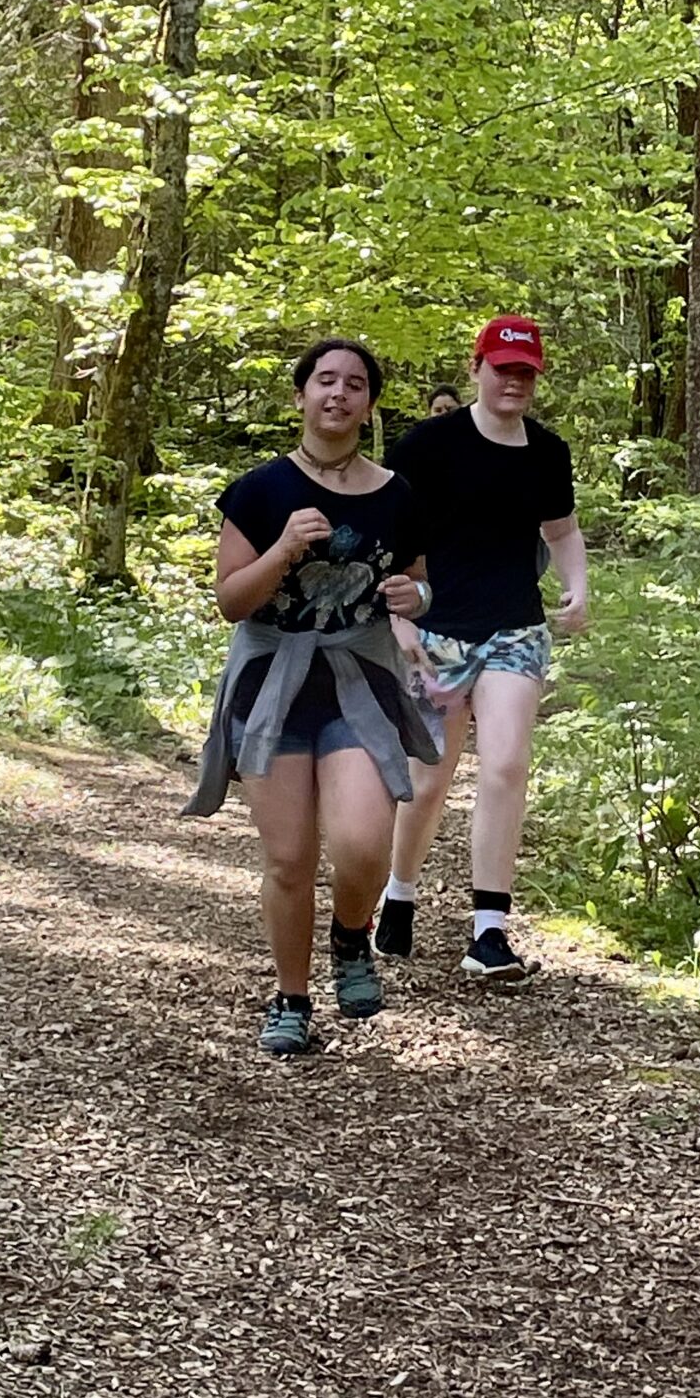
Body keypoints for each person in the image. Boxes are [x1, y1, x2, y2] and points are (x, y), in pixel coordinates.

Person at [185, 341, 440, 1057]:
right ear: (301, 396)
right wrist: (282, 551)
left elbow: (421, 581)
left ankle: (351, 935)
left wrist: (415, 597)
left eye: (354, 384)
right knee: (290, 859)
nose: (338, 394)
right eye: (325, 380)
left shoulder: (398, 494)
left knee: (362, 843)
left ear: (369, 404)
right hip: (274, 684)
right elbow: (231, 602)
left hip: (359, 682)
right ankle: (291, 998)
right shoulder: (260, 491)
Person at [375, 314, 588, 982]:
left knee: (506, 766)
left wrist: (578, 588)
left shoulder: (547, 452)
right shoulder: (427, 445)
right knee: (429, 779)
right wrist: (399, 623)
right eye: (503, 370)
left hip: (514, 629)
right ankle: (399, 892)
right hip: (435, 629)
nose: (514, 383)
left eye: (526, 373)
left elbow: (561, 530)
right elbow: (387, 538)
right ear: (477, 369)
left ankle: (489, 931)